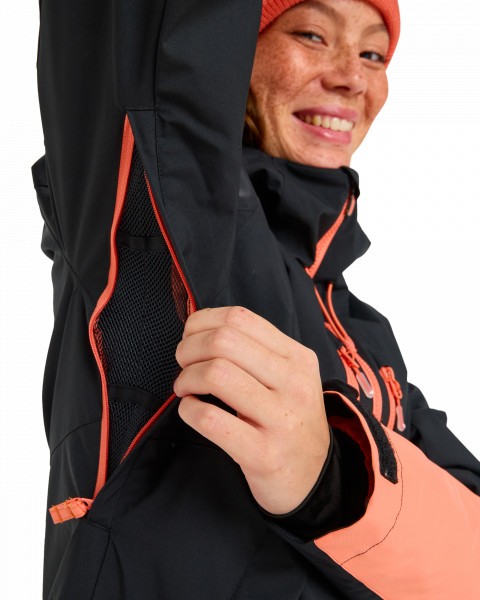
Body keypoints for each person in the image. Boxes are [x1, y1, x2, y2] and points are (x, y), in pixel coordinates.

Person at [32, 0, 480, 598]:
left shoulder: (361, 330)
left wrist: (335, 477)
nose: (353, 76)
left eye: (373, 53)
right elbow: (153, 62)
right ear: (236, 50)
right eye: (312, 35)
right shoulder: (163, 225)